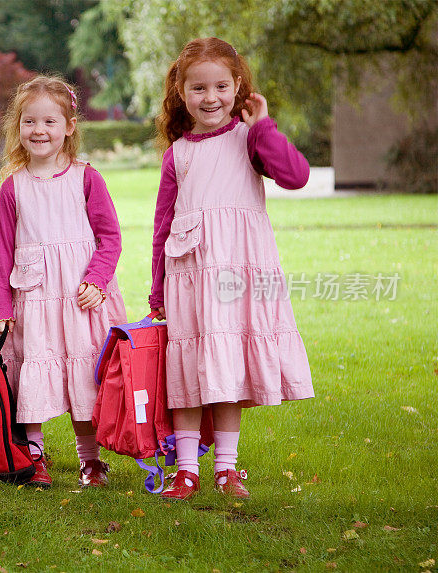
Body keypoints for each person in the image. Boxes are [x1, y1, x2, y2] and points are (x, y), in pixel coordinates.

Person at [150, 37, 315, 500]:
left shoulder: (250, 139)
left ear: (238, 86)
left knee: (226, 368)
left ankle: (226, 469)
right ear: (181, 92)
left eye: (221, 86)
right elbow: (163, 228)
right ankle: (186, 471)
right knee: (185, 370)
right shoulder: (177, 154)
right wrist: (156, 290)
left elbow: (296, 175)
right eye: (199, 88)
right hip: (188, 276)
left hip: (236, 277)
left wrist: (263, 126)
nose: (211, 98)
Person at [0, 76, 127, 488]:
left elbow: (111, 237)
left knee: (85, 378)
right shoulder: (12, 188)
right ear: (18, 128)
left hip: (81, 299)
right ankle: (33, 456)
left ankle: (91, 461)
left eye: (49, 121)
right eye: (30, 122)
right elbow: (2, 253)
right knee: (33, 374)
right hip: (34, 300)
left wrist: (98, 280)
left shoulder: (87, 178)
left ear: (68, 127)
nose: (39, 130)